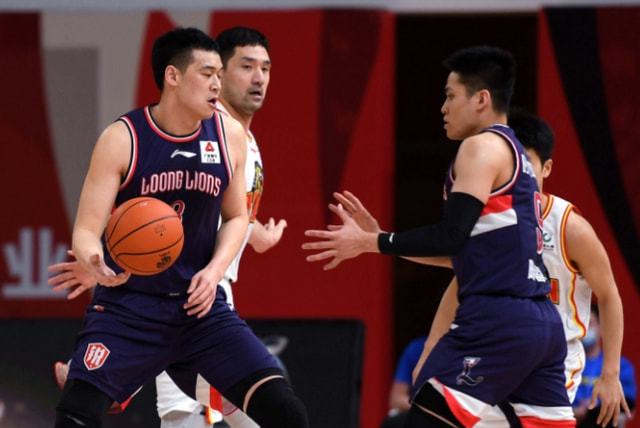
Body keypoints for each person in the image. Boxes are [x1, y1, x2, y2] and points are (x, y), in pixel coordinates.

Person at [303, 46, 575, 426]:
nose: (443, 108)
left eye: (450, 95)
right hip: (542, 324)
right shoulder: (518, 158)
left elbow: (450, 237)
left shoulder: (480, 147)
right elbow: (464, 254)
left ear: (481, 99)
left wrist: (373, 242)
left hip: (496, 321)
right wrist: (380, 240)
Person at [53, 27, 308, 428]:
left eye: (219, 75)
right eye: (207, 74)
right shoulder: (123, 138)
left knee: (286, 412)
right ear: (173, 76)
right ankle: (104, 377)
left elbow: (237, 217)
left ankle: (121, 381)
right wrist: (94, 259)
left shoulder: (229, 135)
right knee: (76, 415)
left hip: (199, 307)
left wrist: (214, 271)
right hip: (131, 307)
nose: (216, 85)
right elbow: (86, 229)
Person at [155, 26, 286, 428]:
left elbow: (228, 212)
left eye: (265, 68)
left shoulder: (242, 137)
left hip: (213, 288)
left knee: (218, 412)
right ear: (218, 75)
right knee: (191, 414)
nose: (259, 77)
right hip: (187, 289)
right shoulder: (201, 130)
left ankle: (104, 374)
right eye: (246, 67)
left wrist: (255, 233)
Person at [573, 308, 636, 427]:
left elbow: (628, 408)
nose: (585, 328)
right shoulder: (564, 365)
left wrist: (594, 409)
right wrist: (575, 412)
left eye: (590, 323)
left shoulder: (621, 365)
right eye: (580, 323)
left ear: (601, 328)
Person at [380, 336, 427, 428]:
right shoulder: (417, 348)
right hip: (419, 412)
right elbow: (396, 399)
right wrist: (425, 409)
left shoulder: (455, 352)